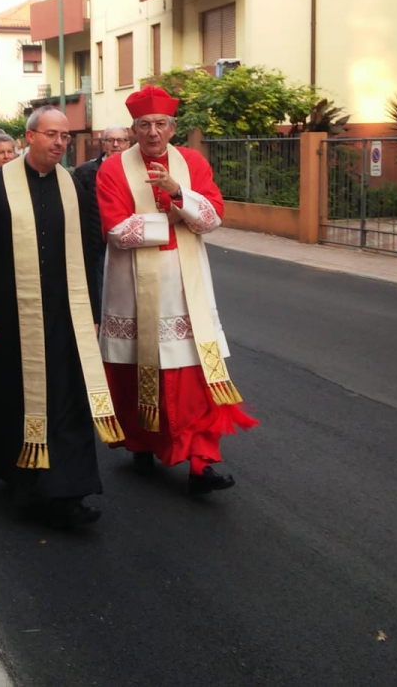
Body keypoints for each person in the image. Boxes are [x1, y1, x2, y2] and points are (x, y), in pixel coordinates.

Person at [0, 106, 123, 528]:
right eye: (51, 134)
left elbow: (88, 250)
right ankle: (22, 480)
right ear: (29, 137)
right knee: (15, 396)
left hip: (65, 315)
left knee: (66, 398)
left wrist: (92, 310)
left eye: (64, 136)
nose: (59, 143)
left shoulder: (73, 185)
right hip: (10, 313)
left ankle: (68, 492)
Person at [97, 86, 258, 496]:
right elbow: (116, 231)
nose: (153, 132)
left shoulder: (193, 163)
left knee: (194, 380)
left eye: (160, 124)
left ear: (172, 127)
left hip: (186, 291)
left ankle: (201, 463)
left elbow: (213, 218)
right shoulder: (113, 170)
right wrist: (172, 220)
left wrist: (177, 193)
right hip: (133, 290)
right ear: (133, 129)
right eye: (144, 125)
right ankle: (141, 443)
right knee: (136, 372)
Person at [72, 126, 131, 297]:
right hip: (97, 245)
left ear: (128, 144)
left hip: (129, 242)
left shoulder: (136, 170)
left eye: (121, 140)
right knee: (101, 293)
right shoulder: (85, 171)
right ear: (103, 144)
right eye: (110, 140)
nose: (116, 145)